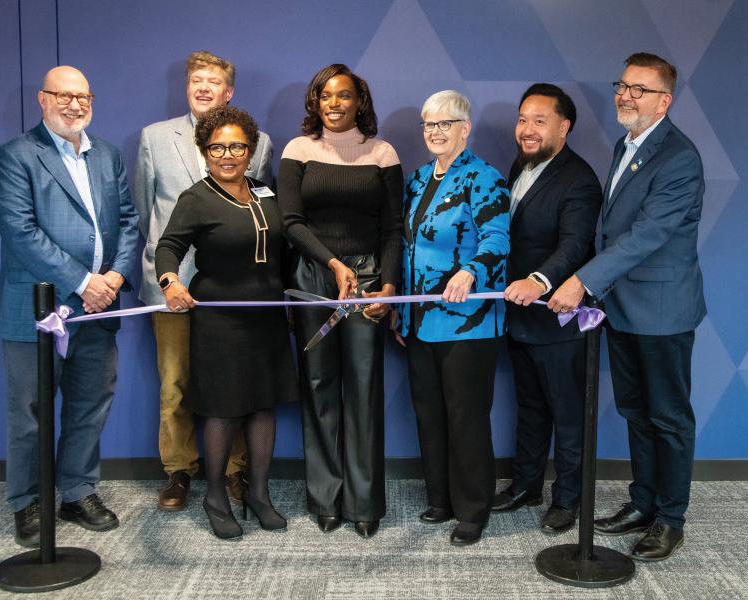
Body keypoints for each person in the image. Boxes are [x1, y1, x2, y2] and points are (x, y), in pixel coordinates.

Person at [549, 52, 706, 561]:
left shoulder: (679, 157)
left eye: (640, 89)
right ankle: (642, 503)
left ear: (665, 100)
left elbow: (647, 235)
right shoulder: (626, 145)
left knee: (668, 418)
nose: (625, 96)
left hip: (663, 311)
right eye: (622, 85)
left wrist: (582, 281)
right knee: (636, 412)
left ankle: (670, 519)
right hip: (622, 307)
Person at [0, 66, 139, 547]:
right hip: (37, 311)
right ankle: (28, 502)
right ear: (42, 99)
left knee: (89, 405)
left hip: (100, 308)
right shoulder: (15, 156)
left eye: (83, 97)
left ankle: (77, 492)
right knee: (30, 411)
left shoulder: (107, 154)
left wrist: (115, 277)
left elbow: (129, 221)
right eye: (63, 96)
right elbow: (21, 231)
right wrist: (83, 282)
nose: (75, 105)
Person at [134, 51, 273, 511]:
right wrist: (167, 272)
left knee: (234, 382)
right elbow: (145, 211)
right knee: (175, 383)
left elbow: (260, 214)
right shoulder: (155, 138)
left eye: (213, 81)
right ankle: (179, 470)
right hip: (171, 285)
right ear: (186, 86)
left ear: (228, 92)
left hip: (233, 289)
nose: (204, 87)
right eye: (196, 79)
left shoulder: (260, 144)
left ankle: (234, 471)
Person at [155, 106, 297, 540]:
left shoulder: (265, 193)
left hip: (267, 319)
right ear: (205, 152)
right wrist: (169, 281)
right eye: (217, 147)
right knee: (223, 408)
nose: (228, 155)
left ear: (251, 151)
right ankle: (215, 496)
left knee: (262, 405)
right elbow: (168, 246)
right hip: (220, 322)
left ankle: (258, 493)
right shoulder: (196, 198)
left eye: (237, 146)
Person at [278, 64, 402, 538]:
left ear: (359, 101)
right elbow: (291, 221)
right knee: (318, 384)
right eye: (325, 95)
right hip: (313, 276)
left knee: (364, 387)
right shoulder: (298, 150)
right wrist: (331, 263)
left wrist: (389, 285)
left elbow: (393, 228)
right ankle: (325, 498)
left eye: (344, 95)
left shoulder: (383, 153)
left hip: (367, 279)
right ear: (316, 101)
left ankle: (364, 503)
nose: (334, 103)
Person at [397, 90, 510, 546]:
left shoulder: (484, 177)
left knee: (466, 416)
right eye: (429, 124)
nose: (436, 132)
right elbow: (406, 248)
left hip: (469, 321)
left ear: (466, 129)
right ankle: (440, 498)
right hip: (419, 321)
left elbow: (497, 238)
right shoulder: (417, 179)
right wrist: (400, 313)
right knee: (429, 413)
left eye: (445, 123)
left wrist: (470, 270)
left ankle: (472, 509)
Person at [494, 84, 602, 534]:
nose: (527, 129)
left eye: (540, 121)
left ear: (564, 127)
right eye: (523, 120)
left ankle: (568, 500)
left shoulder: (579, 179)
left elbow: (575, 245)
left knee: (568, 414)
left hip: (560, 320)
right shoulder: (520, 165)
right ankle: (526, 485)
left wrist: (538, 280)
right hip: (520, 318)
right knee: (531, 407)